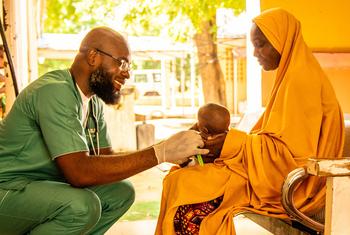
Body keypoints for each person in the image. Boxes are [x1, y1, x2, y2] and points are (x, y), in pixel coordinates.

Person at [0, 26, 209, 234]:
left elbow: (105, 166)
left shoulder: (92, 103)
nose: (127, 73)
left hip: (38, 188)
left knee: (120, 192)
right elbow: (80, 173)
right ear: (93, 57)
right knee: (82, 206)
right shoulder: (54, 91)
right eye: (122, 62)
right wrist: (161, 152)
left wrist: (173, 147)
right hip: (8, 190)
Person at [155, 8, 344, 235]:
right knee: (179, 178)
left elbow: (291, 159)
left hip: (299, 185)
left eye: (261, 44)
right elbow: (273, 143)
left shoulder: (302, 81)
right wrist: (226, 143)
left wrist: (232, 143)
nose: (255, 52)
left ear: (282, 41)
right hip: (271, 174)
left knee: (187, 190)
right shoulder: (292, 76)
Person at [181, 103, 231, 167]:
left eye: (198, 122)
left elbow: (188, 136)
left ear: (205, 130)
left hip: (201, 164)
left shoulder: (200, 140)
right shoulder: (228, 138)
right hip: (219, 165)